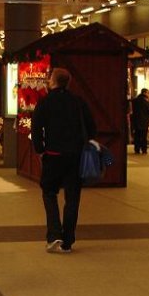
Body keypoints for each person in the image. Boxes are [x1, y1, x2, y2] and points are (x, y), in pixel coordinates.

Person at [31, 67, 96, 254]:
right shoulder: (78, 102)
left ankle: (54, 235)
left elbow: (36, 129)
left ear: (53, 81)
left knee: (49, 193)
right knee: (72, 197)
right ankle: (68, 240)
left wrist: (41, 150)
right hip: (75, 157)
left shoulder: (45, 102)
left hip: (53, 155)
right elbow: (92, 128)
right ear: (68, 82)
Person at [130, 88, 149, 154]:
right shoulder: (146, 101)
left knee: (137, 135)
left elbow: (131, 111)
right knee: (144, 136)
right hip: (144, 121)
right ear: (145, 93)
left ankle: (137, 149)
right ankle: (144, 149)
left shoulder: (135, 100)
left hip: (136, 121)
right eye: (148, 93)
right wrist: (147, 118)